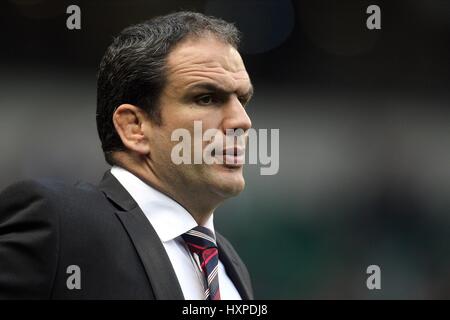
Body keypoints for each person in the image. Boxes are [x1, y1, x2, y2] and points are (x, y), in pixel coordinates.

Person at [0, 11, 254, 300]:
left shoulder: (230, 265)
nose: (242, 121)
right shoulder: (61, 223)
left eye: (242, 99)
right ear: (134, 127)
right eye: (206, 98)